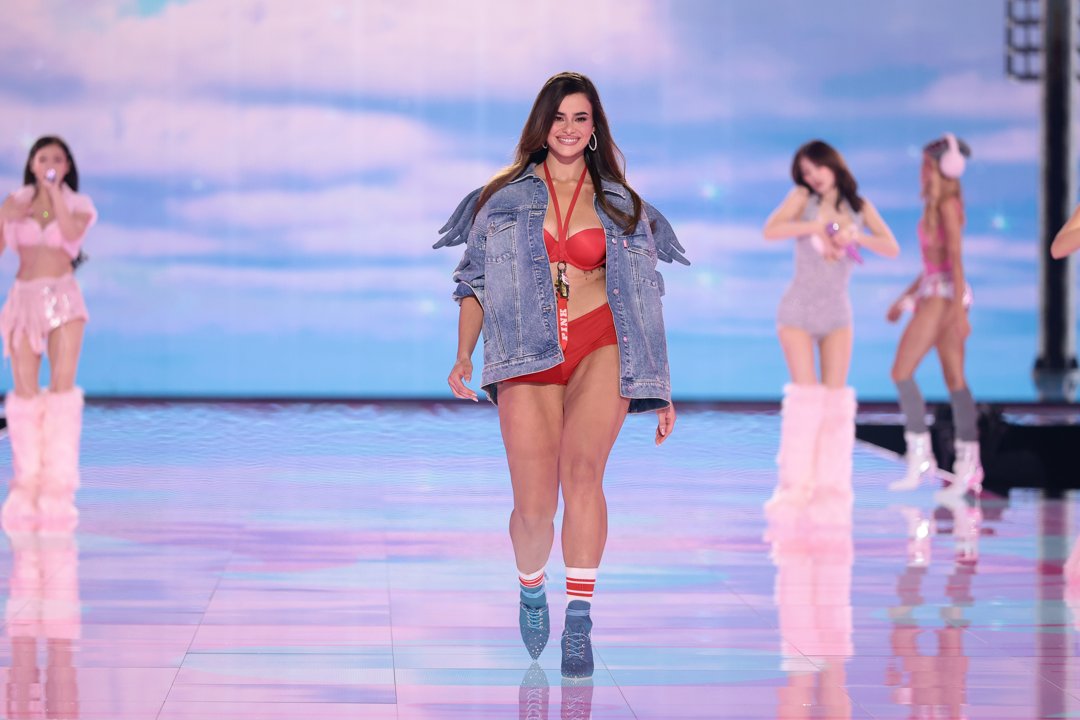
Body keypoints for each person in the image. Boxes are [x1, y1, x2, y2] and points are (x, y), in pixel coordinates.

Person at [434, 71, 687, 679]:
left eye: (581, 118)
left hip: (603, 345)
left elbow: (647, 296)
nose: (569, 129)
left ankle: (579, 616)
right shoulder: (500, 198)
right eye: (559, 118)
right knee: (533, 503)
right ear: (541, 125)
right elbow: (475, 282)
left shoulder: (625, 206)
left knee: (583, 476)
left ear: (594, 127)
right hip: (526, 352)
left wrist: (662, 386)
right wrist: (465, 355)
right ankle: (530, 586)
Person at [762, 140, 898, 519]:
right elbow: (771, 230)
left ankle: (831, 488)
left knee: (836, 405)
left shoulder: (859, 206)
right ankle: (795, 488)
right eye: (805, 172)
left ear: (832, 165)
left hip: (837, 312)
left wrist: (857, 236)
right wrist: (814, 225)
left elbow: (891, 247)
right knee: (805, 401)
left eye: (816, 168)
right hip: (797, 311)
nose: (812, 177)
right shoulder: (801, 199)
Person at [0, 136, 95, 533]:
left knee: (61, 391)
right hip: (23, 300)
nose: (50, 163)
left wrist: (53, 194)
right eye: (44, 158)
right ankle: (27, 487)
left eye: (58, 158)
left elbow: (72, 237)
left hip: (63, 300)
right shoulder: (15, 203)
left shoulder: (78, 205)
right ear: (32, 164)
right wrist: (5, 214)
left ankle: (57, 490)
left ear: (67, 166)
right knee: (23, 394)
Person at [887, 134, 981, 498]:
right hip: (934, 291)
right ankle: (968, 467)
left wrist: (958, 310)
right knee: (955, 379)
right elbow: (931, 265)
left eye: (926, 165)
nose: (921, 172)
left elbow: (956, 261)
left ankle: (924, 458)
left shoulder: (948, 206)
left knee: (901, 371)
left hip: (944, 297)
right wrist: (903, 298)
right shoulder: (935, 205)